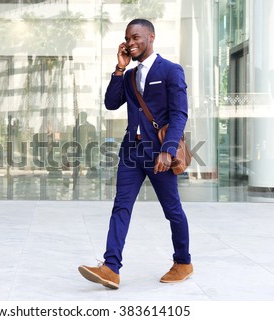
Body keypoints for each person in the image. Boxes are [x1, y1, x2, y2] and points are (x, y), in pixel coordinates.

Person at [78, 18, 192, 289]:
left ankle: (183, 261)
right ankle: (111, 268)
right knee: (121, 207)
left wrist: (167, 150)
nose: (131, 42)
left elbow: (179, 114)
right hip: (131, 153)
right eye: (128, 38)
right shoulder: (129, 76)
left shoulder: (171, 71)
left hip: (158, 155)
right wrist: (119, 68)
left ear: (151, 37)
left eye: (136, 37)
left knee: (172, 209)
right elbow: (111, 103)